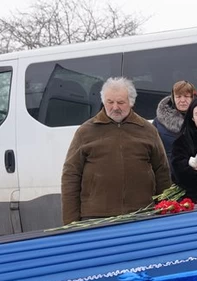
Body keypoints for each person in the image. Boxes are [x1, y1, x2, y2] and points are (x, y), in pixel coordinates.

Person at [61, 77, 171, 224]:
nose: (115, 107)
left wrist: (165, 212)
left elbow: (162, 172)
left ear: (131, 102)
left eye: (120, 102)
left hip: (141, 215)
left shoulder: (148, 130)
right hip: (96, 218)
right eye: (110, 102)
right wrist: (70, 222)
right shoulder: (85, 131)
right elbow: (71, 175)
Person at [153, 80, 197, 173]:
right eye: (178, 96)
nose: (182, 100)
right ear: (173, 98)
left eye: (186, 96)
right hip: (170, 173)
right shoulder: (159, 122)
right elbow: (153, 151)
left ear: (192, 97)